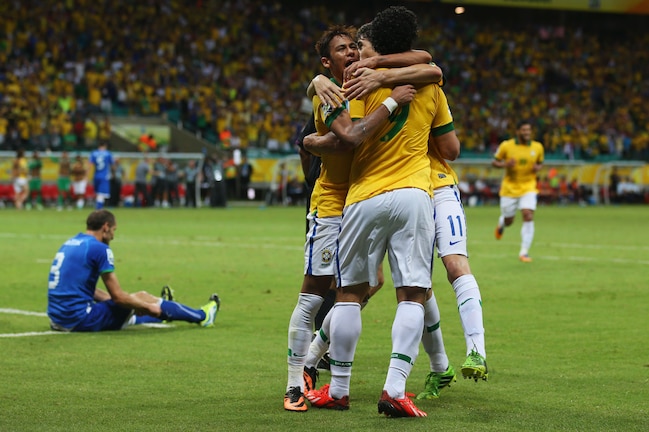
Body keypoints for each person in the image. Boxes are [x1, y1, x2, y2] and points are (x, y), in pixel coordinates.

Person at [303, 7, 457, 418]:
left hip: (361, 196)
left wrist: (313, 138)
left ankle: (337, 390)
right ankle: (394, 388)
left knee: (349, 293)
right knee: (412, 294)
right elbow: (432, 73)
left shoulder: (352, 83)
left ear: (373, 47)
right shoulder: (431, 85)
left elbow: (345, 138)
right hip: (413, 193)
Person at [283, 23, 420, 413]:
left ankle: (314, 357)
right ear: (328, 61)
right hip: (331, 205)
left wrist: (316, 138)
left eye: (354, 47)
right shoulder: (330, 91)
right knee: (313, 295)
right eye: (343, 50)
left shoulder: (364, 84)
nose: (352, 54)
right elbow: (351, 135)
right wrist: (393, 101)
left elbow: (426, 64)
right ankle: (296, 382)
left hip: (363, 201)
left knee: (368, 283)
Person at [47, 209, 221, 332]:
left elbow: (83, 288)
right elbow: (118, 297)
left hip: (57, 319)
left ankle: (166, 310)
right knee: (142, 297)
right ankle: (202, 316)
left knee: (126, 305)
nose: (113, 236)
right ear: (106, 227)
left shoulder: (70, 243)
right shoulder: (99, 248)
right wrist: (145, 305)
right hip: (78, 319)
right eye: (114, 230)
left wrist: (127, 303)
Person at [492, 120, 544, 262]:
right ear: (517, 131)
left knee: (528, 215)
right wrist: (505, 164)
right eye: (524, 130)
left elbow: (540, 163)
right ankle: (502, 223)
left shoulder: (537, 147)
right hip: (509, 189)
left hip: (529, 187)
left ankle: (524, 252)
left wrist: (537, 168)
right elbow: (494, 162)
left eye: (529, 130)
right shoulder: (506, 146)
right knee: (509, 220)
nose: (527, 133)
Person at [89, 142, 114, 209]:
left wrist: (87, 175)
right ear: (105, 146)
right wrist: (113, 173)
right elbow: (112, 165)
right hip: (104, 176)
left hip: (96, 175)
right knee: (101, 193)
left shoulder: (94, 153)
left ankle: (98, 207)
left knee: (98, 193)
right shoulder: (108, 153)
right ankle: (99, 209)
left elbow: (90, 165)